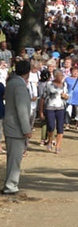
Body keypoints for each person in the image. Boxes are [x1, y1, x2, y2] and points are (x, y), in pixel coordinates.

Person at [2, 60, 32, 195]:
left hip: (10, 125)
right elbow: (22, 110)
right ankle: (11, 186)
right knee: (15, 160)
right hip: (16, 128)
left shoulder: (11, 83)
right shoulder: (19, 86)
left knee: (12, 158)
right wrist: (27, 130)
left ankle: (10, 184)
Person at [42, 70, 68, 154]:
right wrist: (41, 110)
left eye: (62, 75)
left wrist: (65, 96)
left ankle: (58, 146)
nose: (61, 77)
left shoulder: (64, 85)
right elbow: (43, 97)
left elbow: (66, 96)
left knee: (60, 127)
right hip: (50, 107)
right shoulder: (49, 85)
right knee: (51, 126)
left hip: (60, 107)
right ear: (55, 76)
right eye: (60, 76)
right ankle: (50, 140)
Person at [64, 65, 78, 130]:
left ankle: (77, 124)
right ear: (71, 72)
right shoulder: (67, 79)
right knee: (68, 111)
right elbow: (65, 88)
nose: (75, 73)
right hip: (69, 98)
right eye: (74, 71)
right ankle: (67, 124)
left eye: (77, 71)